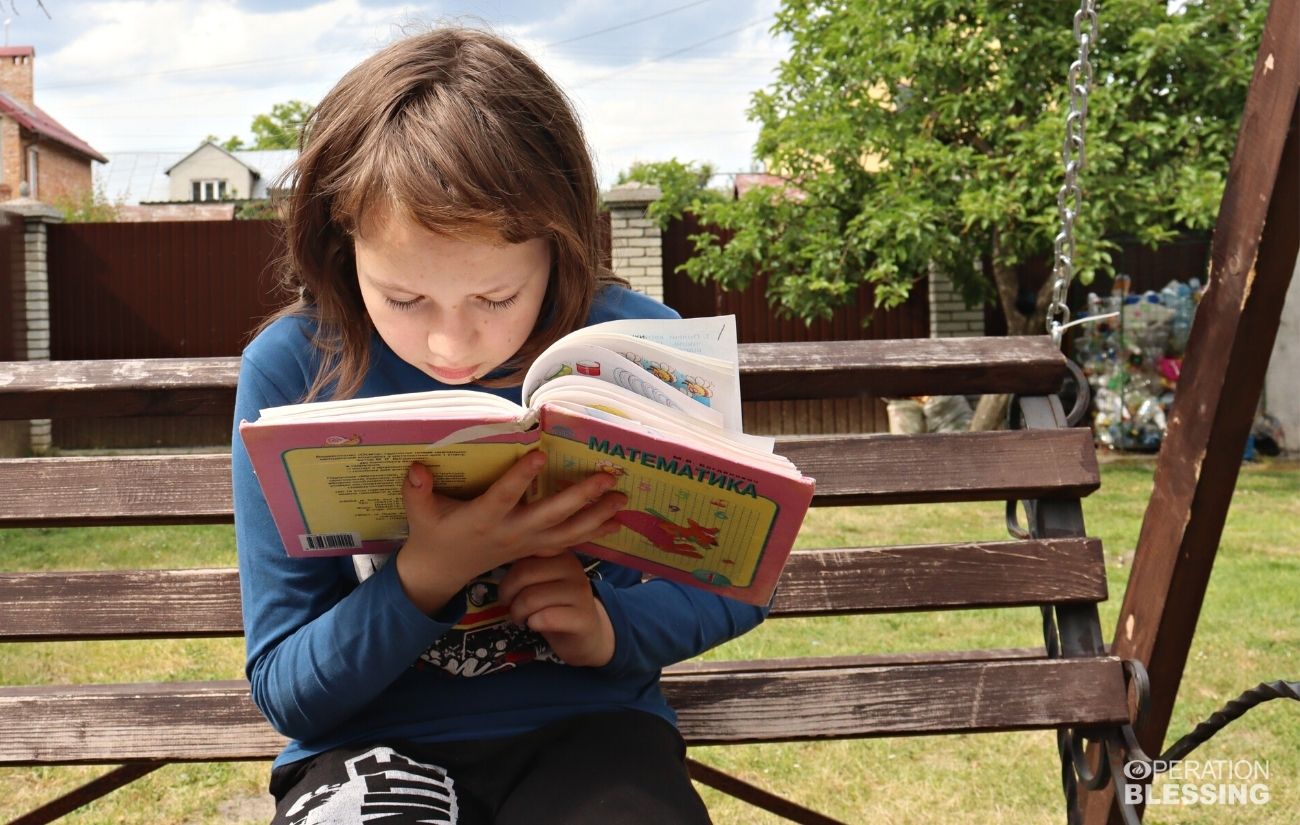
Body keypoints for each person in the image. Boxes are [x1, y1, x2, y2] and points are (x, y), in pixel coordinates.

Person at [232, 27, 766, 825]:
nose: (450, 342)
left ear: (559, 243)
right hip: (365, 745)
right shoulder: (292, 371)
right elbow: (285, 689)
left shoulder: (640, 351)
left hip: (594, 732)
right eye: (404, 300)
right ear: (342, 244)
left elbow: (736, 578)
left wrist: (608, 627)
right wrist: (427, 574)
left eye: (495, 299)